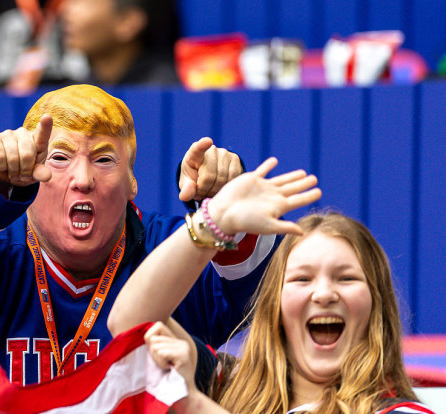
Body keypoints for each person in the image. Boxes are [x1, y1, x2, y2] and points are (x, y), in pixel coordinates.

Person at [0, 83, 279, 386]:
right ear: (30, 173)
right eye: (59, 158)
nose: (82, 180)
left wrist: (222, 209)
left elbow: (265, 286)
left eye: (103, 159)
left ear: (132, 182)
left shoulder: (174, 251)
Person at [107, 167, 433, 413]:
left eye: (345, 278)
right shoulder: (228, 384)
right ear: (275, 307)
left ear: (377, 306)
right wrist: (212, 221)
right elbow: (129, 320)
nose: (323, 294)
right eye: (302, 279)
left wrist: (197, 405)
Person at [57, 0, 180, 86]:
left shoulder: (164, 89)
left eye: (85, 2)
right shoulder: (77, 92)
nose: (65, 12)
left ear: (128, 22)